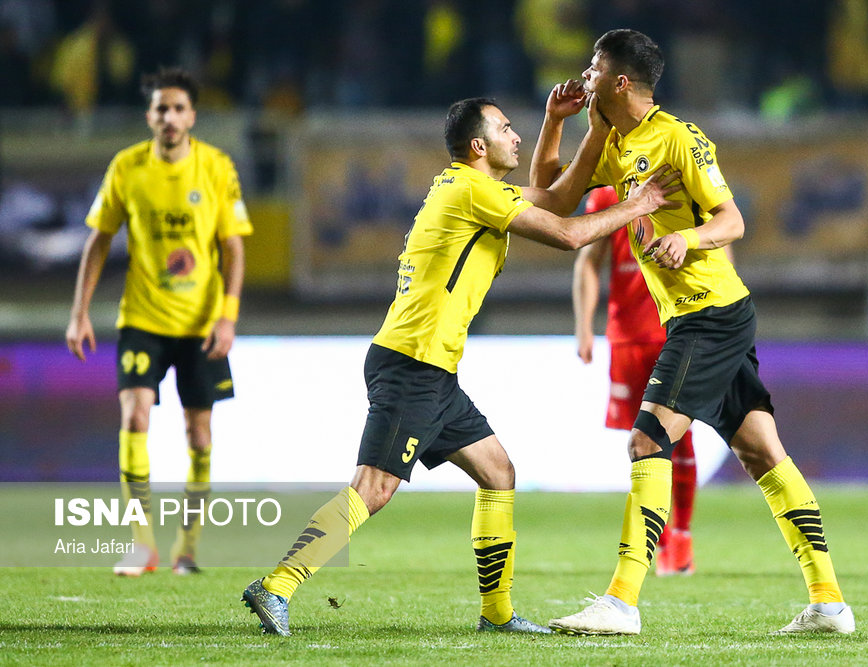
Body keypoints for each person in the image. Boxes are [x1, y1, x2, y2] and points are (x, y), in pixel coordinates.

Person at [240, 92, 683, 637]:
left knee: (498, 473)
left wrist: (566, 124)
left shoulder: (471, 187)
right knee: (373, 488)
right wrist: (637, 205)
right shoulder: (473, 190)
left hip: (431, 368)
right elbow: (568, 234)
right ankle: (276, 586)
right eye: (504, 128)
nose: (514, 136)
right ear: (479, 146)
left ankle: (497, 616)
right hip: (412, 363)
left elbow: (559, 198)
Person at [542, 29, 854, 635]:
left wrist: (689, 237)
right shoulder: (611, 139)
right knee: (762, 451)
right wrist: (556, 123)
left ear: (620, 80)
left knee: (647, 440)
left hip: (709, 314)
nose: (585, 75)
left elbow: (732, 219)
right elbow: (555, 198)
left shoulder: (679, 139)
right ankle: (829, 602)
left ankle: (622, 601)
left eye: (594, 67)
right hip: (705, 315)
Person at [66, 67, 252, 576]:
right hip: (143, 318)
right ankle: (142, 545)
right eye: (159, 109)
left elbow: (233, 247)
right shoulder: (126, 167)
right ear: (149, 116)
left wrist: (227, 317)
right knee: (134, 418)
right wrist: (79, 312)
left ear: (191, 115)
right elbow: (99, 239)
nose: (168, 117)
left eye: (177, 108)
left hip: (200, 325)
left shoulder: (216, 168)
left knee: (199, 437)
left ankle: (186, 549)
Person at [573, 186, 698, 576]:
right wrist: (583, 327)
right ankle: (659, 542)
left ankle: (680, 537)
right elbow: (588, 262)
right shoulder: (606, 197)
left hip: (677, 330)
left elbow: (720, 247)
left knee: (681, 436)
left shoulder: (682, 182)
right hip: (627, 336)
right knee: (643, 441)